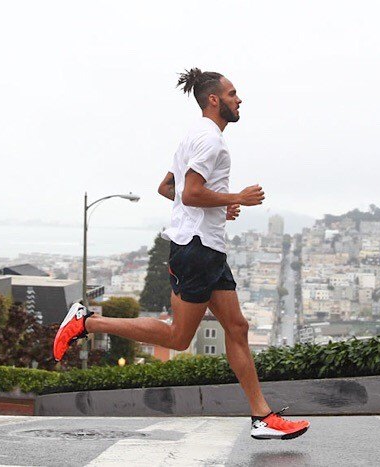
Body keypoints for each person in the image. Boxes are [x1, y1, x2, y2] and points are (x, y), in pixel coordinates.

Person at [53, 68, 310, 440]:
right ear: (214, 100)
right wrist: (237, 197)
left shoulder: (193, 136)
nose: (239, 99)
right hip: (196, 249)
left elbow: (167, 188)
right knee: (178, 337)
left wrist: (219, 207)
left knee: (237, 328)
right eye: (233, 94)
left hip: (208, 247)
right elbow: (189, 194)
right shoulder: (211, 141)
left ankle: (262, 417)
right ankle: (87, 322)